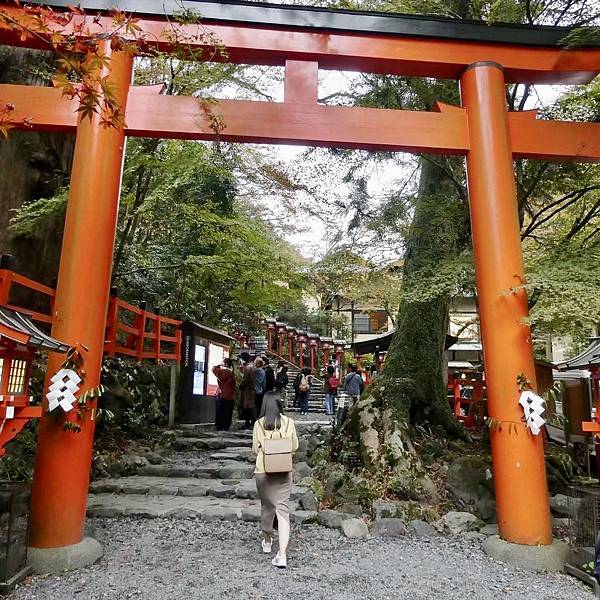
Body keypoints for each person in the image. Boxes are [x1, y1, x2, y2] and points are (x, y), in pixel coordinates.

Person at [253, 394, 299, 569]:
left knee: (267, 506)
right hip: (283, 470)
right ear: (280, 404)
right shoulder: (289, 423)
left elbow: (254, 448)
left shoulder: (259, 424)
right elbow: (295, 446)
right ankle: (282, 555)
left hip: (263, 471)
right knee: (283, 511)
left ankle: (267, 540)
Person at [212, 357, 236, 431]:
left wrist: (219, 364)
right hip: (231, 395)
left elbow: (213, 369)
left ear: (225, 364)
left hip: (223, 394)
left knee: (221, 411)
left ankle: (220, 426)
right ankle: (226, 426)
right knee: (228, 412)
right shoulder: (232, 373)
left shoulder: (223, 372)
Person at [239, 352, 257, 429]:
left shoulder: (246, 368)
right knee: (251, 407)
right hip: (252, 389)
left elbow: (245, 380)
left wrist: (240, 386)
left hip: (247, 390)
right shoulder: (252, 366)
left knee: (246, 406)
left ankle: (247, 423)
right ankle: (252, 422)